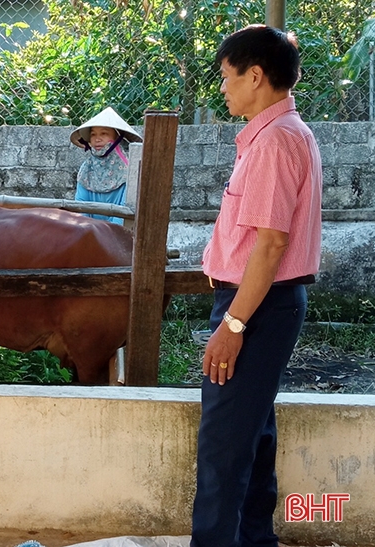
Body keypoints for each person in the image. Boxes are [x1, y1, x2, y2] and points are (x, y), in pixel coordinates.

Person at [192, 25, 322, 547]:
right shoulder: (283, 134)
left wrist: (233, 323)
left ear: (255, 75)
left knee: (223, 445)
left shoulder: (274, 142)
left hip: (255, 305)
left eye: (226, 77)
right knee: (251, 435)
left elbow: (269, 246)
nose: (222, 88)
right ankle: (254, 540)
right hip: (264, 304)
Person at [69, 106, 142, 224]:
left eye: (104, 133)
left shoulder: (129, 172)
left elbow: (123, 212)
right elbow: (81, 208)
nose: (97, 139)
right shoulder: (86, 169)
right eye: (93, 134)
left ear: (117, 138)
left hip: (118, 234)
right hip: (89, 232)